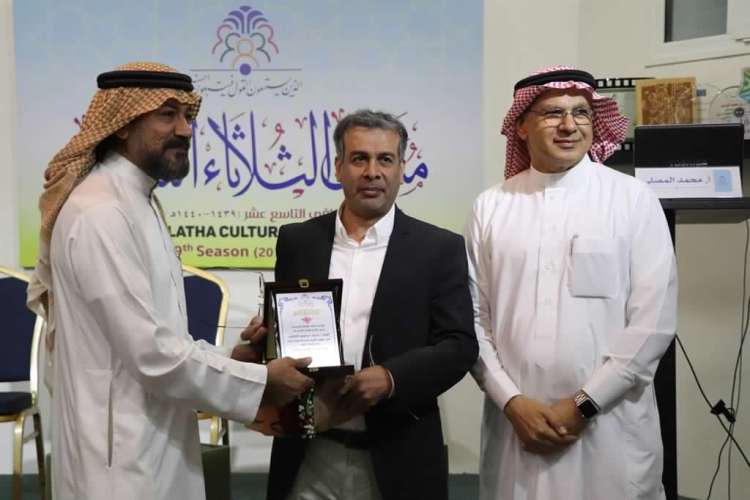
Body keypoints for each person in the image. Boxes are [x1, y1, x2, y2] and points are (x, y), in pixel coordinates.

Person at [26, 62, 313, 500]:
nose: (185, 129)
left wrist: (236, 359)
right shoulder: (101, 213)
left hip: (153, 439)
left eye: (188, 115)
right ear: (123, 123)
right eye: (167, 114)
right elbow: (151, 354)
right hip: (117, 459)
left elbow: (160, 336)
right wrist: (260, 383)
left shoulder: (137, 201)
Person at [466, 66, 677, 500]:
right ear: (521, 126)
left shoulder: (632, 199)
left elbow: (652, 324)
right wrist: (511, 402)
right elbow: (471, 319)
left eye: (581, 113)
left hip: (608, 428)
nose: (569, 125)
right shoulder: (491, 207)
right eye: (552, 113)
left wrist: (584, 404)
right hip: (517, 428)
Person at [250, 109, 478, 500]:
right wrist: (263, 341)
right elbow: (287, 333)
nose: (372, 172)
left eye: (384, 159)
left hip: (398, 455)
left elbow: (459, 345)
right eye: (359, 159)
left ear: (402, 169)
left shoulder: (439, 248)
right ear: (338, 167)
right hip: (308, 456)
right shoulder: (298, 241)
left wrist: (391, 378)